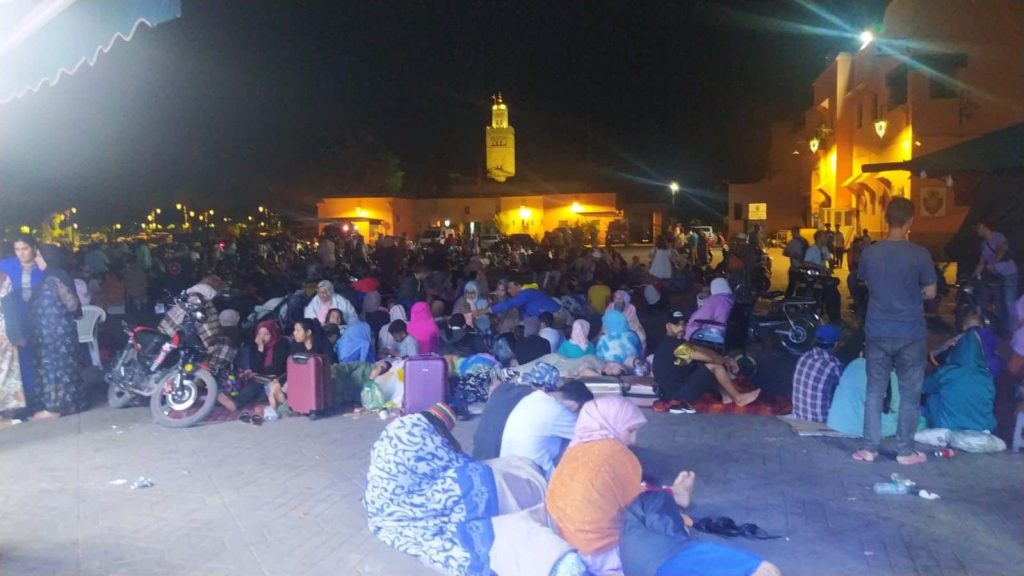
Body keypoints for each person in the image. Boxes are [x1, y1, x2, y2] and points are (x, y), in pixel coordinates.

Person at [547, 396, 778, 576]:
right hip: (609, 552)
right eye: (630, 430)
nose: (633, 440)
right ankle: (676, 504)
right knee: (765, 569)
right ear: (611, 423)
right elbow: (642, 507)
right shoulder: (614, 453)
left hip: (571, 547)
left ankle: (675, 501)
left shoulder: (573, 451)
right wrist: (674, 505)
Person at [365, 403, 587, 576]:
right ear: (439, 428)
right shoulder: (418, 434)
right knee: (475, 481)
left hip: (385, 500)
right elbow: (458, 466)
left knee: (485, 471)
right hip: (406, 505)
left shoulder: (404, 426)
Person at [853, 197, 937, 465]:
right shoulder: (920, 254)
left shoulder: (870, 253)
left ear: (885, 219)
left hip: (877, 331)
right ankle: (904, 451)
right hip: (911, 333)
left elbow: (863, 281)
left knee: (875, 391)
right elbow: (931, 292)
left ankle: (869, 449)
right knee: (910, 393)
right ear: (910, 221)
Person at [652, 310, 760, 408]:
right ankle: (739, 398)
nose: (682, 327)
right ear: (668, 326)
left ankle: (726, 396)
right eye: (677, 324)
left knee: (709, 361)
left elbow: (702, 350)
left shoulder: (677, 344)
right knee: (714, 365)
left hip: (675, 391)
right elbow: (708, 357)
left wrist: (725, 358)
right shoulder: (676, 347)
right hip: (676, 397)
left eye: (683, 323)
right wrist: (727, 361)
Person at [28, 244, 87, 420]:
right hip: (60, 336)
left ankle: (54, 408)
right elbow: (74, 307)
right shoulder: (58, 277)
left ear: (48, 258)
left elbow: (67, 306)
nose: (36, 259)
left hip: (53, 338)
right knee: (66, 370)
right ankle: (72, 404)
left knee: (55, 370)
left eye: (39, 256)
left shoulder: (53, 280)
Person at [501, 377, 595, 478]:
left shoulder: (532, 397)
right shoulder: (558, 410)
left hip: (507, 471)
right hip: (534, 479)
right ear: (574, 406)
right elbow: (591, 436)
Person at [921, 327, 996, 432]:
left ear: (957, 350)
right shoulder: (987, 376)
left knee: (933, 395)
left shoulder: (947, 372)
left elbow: (924, 388)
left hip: (947, 426)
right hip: (981, 428)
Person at [0, 235, 44, 412]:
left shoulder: (42, 267)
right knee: (23, 362)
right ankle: (29, 401)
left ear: (33, 248)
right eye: (17, 249)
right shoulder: (7, 266)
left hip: (40, 319)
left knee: (42, 358)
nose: (21, 253)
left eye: (24, 249)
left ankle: (42, 398)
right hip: (17, 321)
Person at [826, 355, 900, 438]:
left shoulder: (854, 364)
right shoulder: (891, 375)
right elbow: (899, 409)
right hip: (866, 430)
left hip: (838, 423)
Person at [791, 325, 843, 423]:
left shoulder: (804, 356)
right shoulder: (832, 364)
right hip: (820, 419)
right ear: (835, 344)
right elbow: (847, 385)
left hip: (798, 414)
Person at [483, 277, 565, 337]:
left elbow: (508, 305)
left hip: (556, 315)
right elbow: (526, 317)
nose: (508, 290)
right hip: (544, 317)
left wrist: (487, 310)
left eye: (510, 288)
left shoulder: (525, 293)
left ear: (519, 286)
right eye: (507, 289)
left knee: (551, 337)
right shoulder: (520, 299)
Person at [974, 219, 1019, 329]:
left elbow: (1001, 249)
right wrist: (974, 275)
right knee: (999, 302)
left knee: (1009, 301)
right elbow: (982, 262)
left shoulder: (998, 236)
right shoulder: (984, 244)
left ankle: (1013, 329)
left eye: (978, 228)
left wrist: (994, 264)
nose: (977, 231)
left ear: (984, 227)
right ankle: (1003, 327)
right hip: (997, 276)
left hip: (1009, 273)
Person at [0, 268, 25, 416]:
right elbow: (9, 309)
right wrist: (16, 336)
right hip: (3, 333)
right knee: (7, 371)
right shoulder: (3, 278)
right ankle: (8, 407)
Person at [783, 226, 808, 299]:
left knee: (791, 286)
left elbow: (785, 253)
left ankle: (787, 301)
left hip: (795, 268)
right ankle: (801, 300)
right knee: (803, 286)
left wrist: (792, 255)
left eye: (792, 232)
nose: (791, 234)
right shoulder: (805, 241)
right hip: (805, 268)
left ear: (794, 232)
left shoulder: (792, 242)